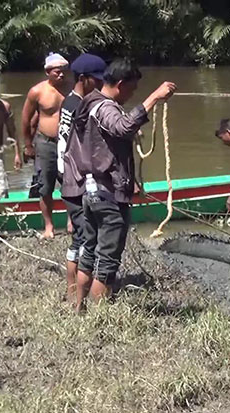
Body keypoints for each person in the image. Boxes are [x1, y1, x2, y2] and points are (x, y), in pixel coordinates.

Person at [73, 58, 176, 311]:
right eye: (132, 89)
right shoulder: (105, 107)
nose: (133, 95)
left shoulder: (89, 104)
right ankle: (99, 318)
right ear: (120, 84)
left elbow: (109, 140)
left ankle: (78, 307)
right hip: (106, 195)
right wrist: (154, 98)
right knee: (107, 261)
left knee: (88, 253)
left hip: (90, 189)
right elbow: (122, 128)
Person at [58, 53, 106, 304]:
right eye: (97, 81)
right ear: (84, 79)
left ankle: (72, 291)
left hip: (66, 176)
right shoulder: (80, 106)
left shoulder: (68, 102)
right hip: (75, 178)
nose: (100, 85)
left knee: (78, 235)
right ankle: (76, 294)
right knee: (84, 238)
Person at [21, 52, 70, 238]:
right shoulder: (37, 92)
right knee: (45, 186)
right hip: (45, 143)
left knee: (70, 183)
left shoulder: (72, 89)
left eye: (64, 71)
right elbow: (26, 120)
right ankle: (49, 226)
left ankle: (71, 221)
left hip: (68, 143)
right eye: (57, 72)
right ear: (48, 72)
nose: (62, 75)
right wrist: (28, 145)